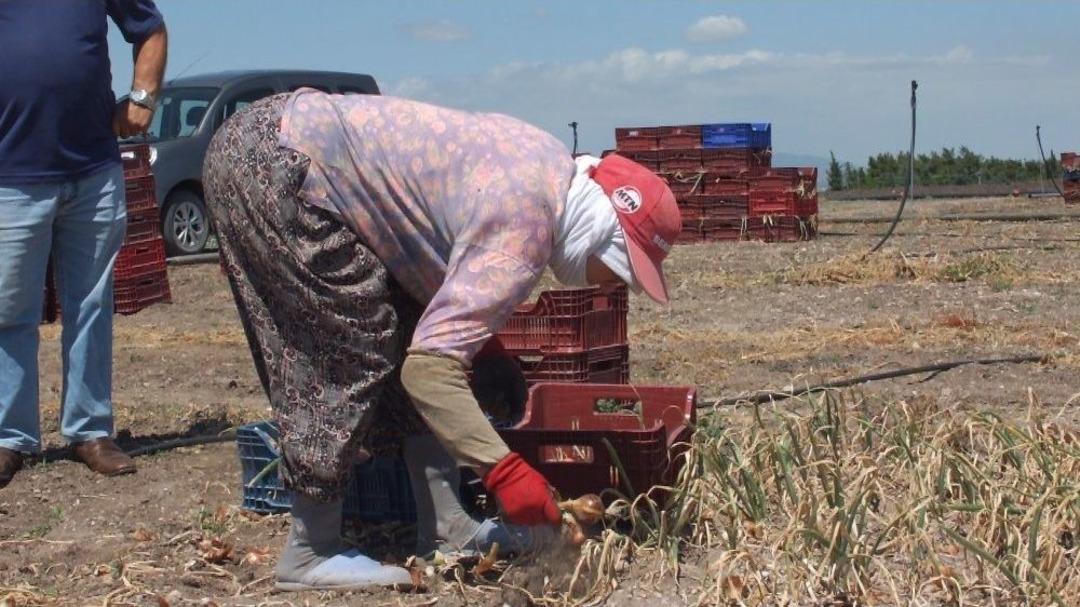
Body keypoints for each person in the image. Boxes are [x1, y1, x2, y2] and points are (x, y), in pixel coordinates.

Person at [202, 90, 679, 591]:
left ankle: (447, 523)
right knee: (348, 341)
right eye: (622, 272)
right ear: (603, 232)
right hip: (283, 163)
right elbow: (429, 371)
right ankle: (310, 549)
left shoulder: (545, 169)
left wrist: (486, 346)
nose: (612, 286)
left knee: (408, 324)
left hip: (276, 142)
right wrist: (506, 474)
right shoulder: (529, 222)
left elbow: (428, 243)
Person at [0, 2, 168, 487]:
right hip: (10, 174)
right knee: (9, 309)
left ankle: (91, 431)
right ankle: (9, 437)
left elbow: (150, 29)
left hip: (93, 170)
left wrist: (142, 98)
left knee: (92, 304)